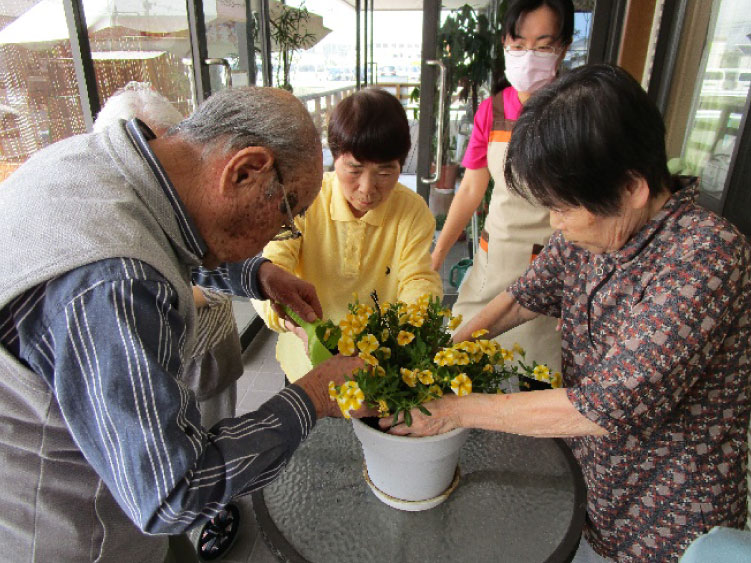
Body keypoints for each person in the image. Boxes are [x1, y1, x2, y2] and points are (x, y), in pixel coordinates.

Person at [388, 65, 751, 561]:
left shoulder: (706, 257)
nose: (554, 223)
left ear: (632, 188)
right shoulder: (594, 229)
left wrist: (451, 411)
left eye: (562, 208)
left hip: (668, 521)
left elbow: (601, 405)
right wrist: (444, 354)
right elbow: (522, 297)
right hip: (593, 489)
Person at [0, 85, 367, 563]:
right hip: (73, 531)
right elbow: (173, 492)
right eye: (287, 215)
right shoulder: (112, 286)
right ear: (245, 171)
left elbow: (162, 233)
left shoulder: (103, 161)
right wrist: (313, 396)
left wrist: (257, 273)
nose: (282, 234)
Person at [93, 81, 249, 560]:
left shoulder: (195, 186)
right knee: (161, 438)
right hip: (156, 344)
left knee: (215, 417)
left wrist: (255, 275)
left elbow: (218, 253)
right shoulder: (108, 229)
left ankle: (219, 503)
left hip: (208, 338)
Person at [253, 88, 442, 382]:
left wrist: (409, 332)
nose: (367, 188)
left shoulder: (412, 211)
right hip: (308, 357)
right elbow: (273, 267)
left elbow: (418, 279)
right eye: (354, 169)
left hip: (379, 359)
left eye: (385, 173)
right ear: (333, 157)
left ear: (401, 165)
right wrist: (304, 329)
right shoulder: (304, 199)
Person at [431, 0, 574, 372]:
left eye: (543, 46)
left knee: (536, 365)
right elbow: (470, 190)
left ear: (564, 46)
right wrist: (437, 252)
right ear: (504, 43)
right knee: (461, 347)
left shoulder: (578, 111)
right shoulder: (491, 111)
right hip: (496, 252)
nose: (529, 56)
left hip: (551, 260)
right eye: (518, 43)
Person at [93, 81, 243, 431]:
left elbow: (221, 277)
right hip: (155, 365)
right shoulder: (109, 225)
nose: (156, 176)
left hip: (209, 353)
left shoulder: (201, 195)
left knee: (216, 432)